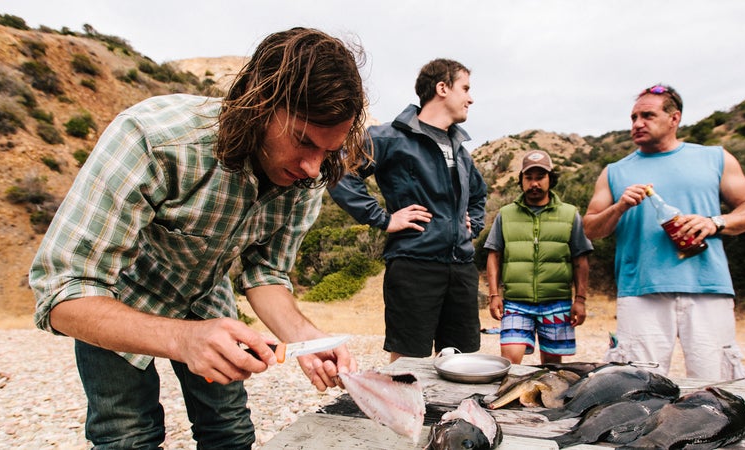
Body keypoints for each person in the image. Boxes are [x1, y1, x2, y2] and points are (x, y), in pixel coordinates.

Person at [29, 27, 367, 448]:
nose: (314, 168)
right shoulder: (153, 138)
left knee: (230, 431)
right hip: (113, 300)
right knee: (128, 436)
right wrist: (182, 339)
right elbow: (62, 292)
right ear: (260, 106)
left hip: (205, 295)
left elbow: (266, 274)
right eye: (303, 141)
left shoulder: (305, 176)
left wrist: (308, 340)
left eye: (328, 151)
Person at [583, 84, 745, 381]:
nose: (638, 123)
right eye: (633, 117)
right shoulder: (614, 171)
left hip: (708, 288)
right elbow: (590, 228)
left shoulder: (715, 158)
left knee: (717, 384)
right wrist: (618, 208)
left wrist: (714, 222)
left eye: (648, 115)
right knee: (635, 385)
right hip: (641, 292)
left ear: (674, 118)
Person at [328, 58, 487, 363]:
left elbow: (479, 195)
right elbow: (341, 172)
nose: (470, 97)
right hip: (414, 265)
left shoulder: (461, 151)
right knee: (408, 361)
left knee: (461, 360)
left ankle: (453, 413)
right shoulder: (389, 137)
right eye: (465, 88)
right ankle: (402, 412)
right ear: (442, 87)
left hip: (462, 268)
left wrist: (473, 224)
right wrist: (384, 220)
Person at [484, 150, 593, 365]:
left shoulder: (570, 214)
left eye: (540, 177)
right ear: (521, 181)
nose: (534, 183)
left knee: (551, 367)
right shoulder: (505, 214)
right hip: (516, 302)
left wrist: (580, 300)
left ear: (550, 179)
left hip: (557, 302)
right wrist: (494, 295)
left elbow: (580, 260)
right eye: (529, 177)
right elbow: (493, 255)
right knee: (510, 363)